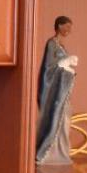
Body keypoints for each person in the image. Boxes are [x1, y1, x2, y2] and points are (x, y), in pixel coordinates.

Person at [34, 15, 79, 165]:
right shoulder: (51, 44)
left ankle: (59, 152)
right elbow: (49, 67)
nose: (69, 30)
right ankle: (45, 153)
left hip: (63, 92)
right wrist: (65, 62)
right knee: (56, 118)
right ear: (59, 26)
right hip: (55, 93)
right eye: (67, 26)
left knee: (65, 121)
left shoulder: (62, 47)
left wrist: (69, 66)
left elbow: (62, 67)